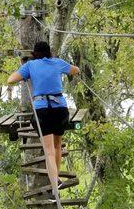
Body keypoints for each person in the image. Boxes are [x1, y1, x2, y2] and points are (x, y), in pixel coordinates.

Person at [8, 41, 80, 189]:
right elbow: (76, 70)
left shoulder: (30, 65)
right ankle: (57, 178)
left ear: (35, 54)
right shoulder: (57, 63)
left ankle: (55, 183)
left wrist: (26, 75)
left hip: (42, 110)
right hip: (60, 108)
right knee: (57, 145)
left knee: (48, 151)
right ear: (49, 53)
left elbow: (10, 80)